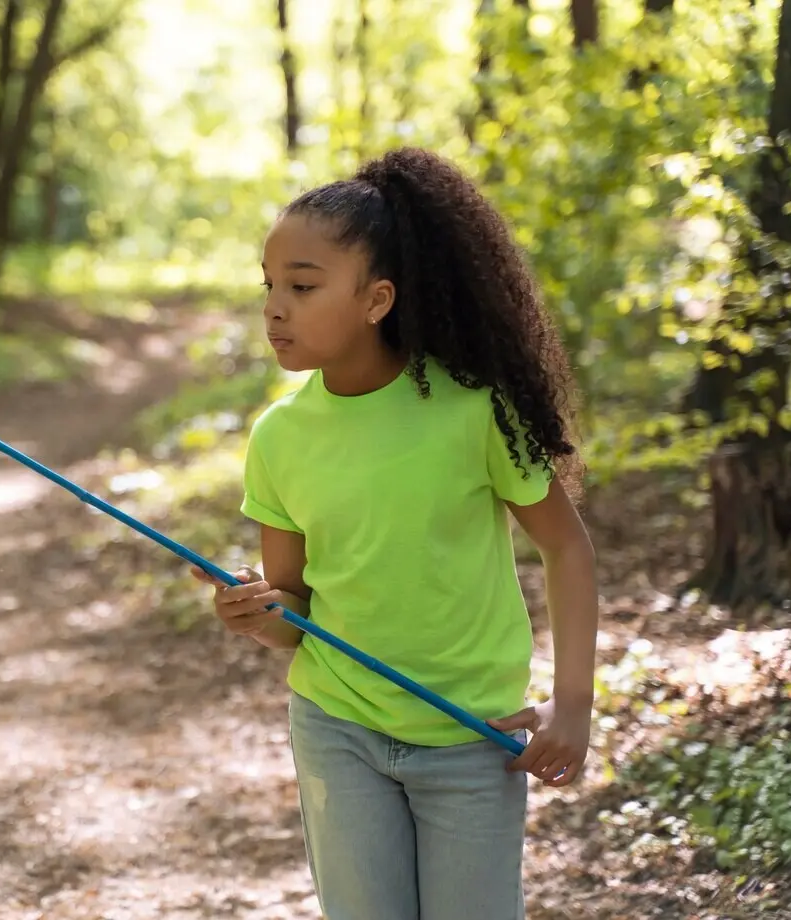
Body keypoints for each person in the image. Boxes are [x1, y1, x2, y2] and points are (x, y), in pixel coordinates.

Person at [191, 147, 599, 920]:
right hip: (337, 729)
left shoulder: (475, 411)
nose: (275, 307)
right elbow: (295, 614)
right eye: (269, 286)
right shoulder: (278, 437)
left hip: (471, 738)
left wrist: (572, 704)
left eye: (303, 287)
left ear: (377, 299)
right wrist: (251, 614)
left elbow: (567, 546)